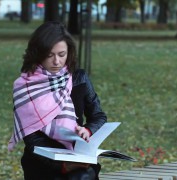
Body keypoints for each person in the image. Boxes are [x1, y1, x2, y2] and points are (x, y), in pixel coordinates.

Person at [8, 21, 107, 180]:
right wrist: (63, 165)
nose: (56, 62)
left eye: (62, 54)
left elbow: (98, 116)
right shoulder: (25, 86)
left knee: (83, 175)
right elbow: (32, 140)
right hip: (42, 163)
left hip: (79, 157)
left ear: (69, 52)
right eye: (49, 55)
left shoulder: (79, 78)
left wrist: (87, 130)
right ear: (38, 53)